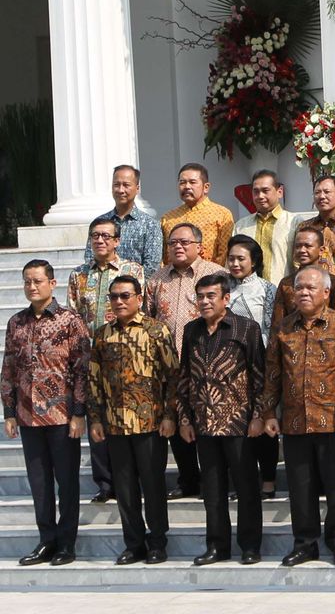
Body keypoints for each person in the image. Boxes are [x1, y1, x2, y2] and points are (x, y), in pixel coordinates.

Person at [262, 265, 335, 567]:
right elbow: (272, 373)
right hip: (294, 421)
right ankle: (305, 544)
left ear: (326, 293)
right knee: (300, 488)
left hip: (334, 419)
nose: (303, 293)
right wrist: (268, 411)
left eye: (310, 288)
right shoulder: (284, 327)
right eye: (299, 287)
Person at [2, 260, 90, 567]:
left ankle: (67, 543)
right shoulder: (16, 322)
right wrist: (9, 411)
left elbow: (81, 369)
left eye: (37, 281)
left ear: (52, 284)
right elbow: (9, 368)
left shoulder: (70, 320)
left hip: (62, 415)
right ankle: (46, 541)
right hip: (27, 415)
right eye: (27, 281)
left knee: (66, 482)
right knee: (39, 483)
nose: (31, 286)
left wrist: (79, 413)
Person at [87, 274, 178, 566]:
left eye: (125, 295)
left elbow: (173, 376)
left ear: (139, 298)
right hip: (114, 423)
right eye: (114, 296)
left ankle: (157, 542)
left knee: (152, 486)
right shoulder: (102, 335)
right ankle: (133, 544)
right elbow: (94, 380)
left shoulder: (156, 330)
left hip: (150, 422)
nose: (119, 301)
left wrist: (169, 414)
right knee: (124, 490)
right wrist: (96, 419)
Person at [177, 273, 265, 566]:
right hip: (204, 423)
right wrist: (185, 419)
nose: (204, 302)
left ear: (226, 299)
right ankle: (217, 546)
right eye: (200, 296)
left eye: (210, 296)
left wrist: (258, 416)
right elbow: (185, 376)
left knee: (246, 488)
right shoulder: (191, 331)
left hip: (239, 423)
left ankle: (250, 546)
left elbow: (259, 376)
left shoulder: (245, 329)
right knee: (212, 491)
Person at [144, 222, 226, 499]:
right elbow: (149, 320)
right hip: (170, 366)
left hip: (208, 363)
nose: (177, 247)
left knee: (210, 422)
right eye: (172, 243)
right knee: (179, 421)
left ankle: (216, 481)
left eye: (184, 242)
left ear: (199, 246)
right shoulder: (156, 279)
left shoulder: (215, 273)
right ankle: (188, 480)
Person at [67, 216, 145, 504]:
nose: (100, 240)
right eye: (95, 236)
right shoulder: (78, 275)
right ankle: (104, 481)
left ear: (117, 241)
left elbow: (142, 307)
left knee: (128, 414)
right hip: (91, 355)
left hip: (127, 352)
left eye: (106, 236)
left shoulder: (132, 270)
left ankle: (132, 477)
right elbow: (73, 315)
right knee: (96, 413)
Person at [226, 235, 280, 500]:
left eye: (241, 259)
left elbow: (270, 326)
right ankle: (241, 481)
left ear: (254, 261)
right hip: (227, 369)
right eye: (231, 258)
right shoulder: (221, 288)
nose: (235, 263)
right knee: (235, 427)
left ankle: (268, 481)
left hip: (259, 363)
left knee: (263, 420)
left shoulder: (267, 289)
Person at [82, 164, 162, 271]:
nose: (120, 190)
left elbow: (151, 266)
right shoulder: (99, 223)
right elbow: (90, 258)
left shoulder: (150, 225)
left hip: (137, 286)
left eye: (126, 185)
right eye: (116, 185)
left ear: (137, 189)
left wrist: (129, 286)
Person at [232, 169, 303, 284]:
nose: (260, 196)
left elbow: (301, 262)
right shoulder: (241, 226)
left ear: (279, 192)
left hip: (283, 293)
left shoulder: (294, 222)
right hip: (249, 295)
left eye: (265, 190)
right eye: (256, 191)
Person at [160, 162, 235, 266]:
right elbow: (163, 257)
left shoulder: (222, 214)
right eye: (182, 182)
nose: (187, 186)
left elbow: (224, 254)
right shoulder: (168, 218)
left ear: (206, 187)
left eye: (192, 182)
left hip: (210, 279)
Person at [272, 225, 335, 324]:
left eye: (308, 246)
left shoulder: (334, 282)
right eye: (298, 246)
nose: (302, 250)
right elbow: (277, 322)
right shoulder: (286, 283)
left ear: (321, 250)